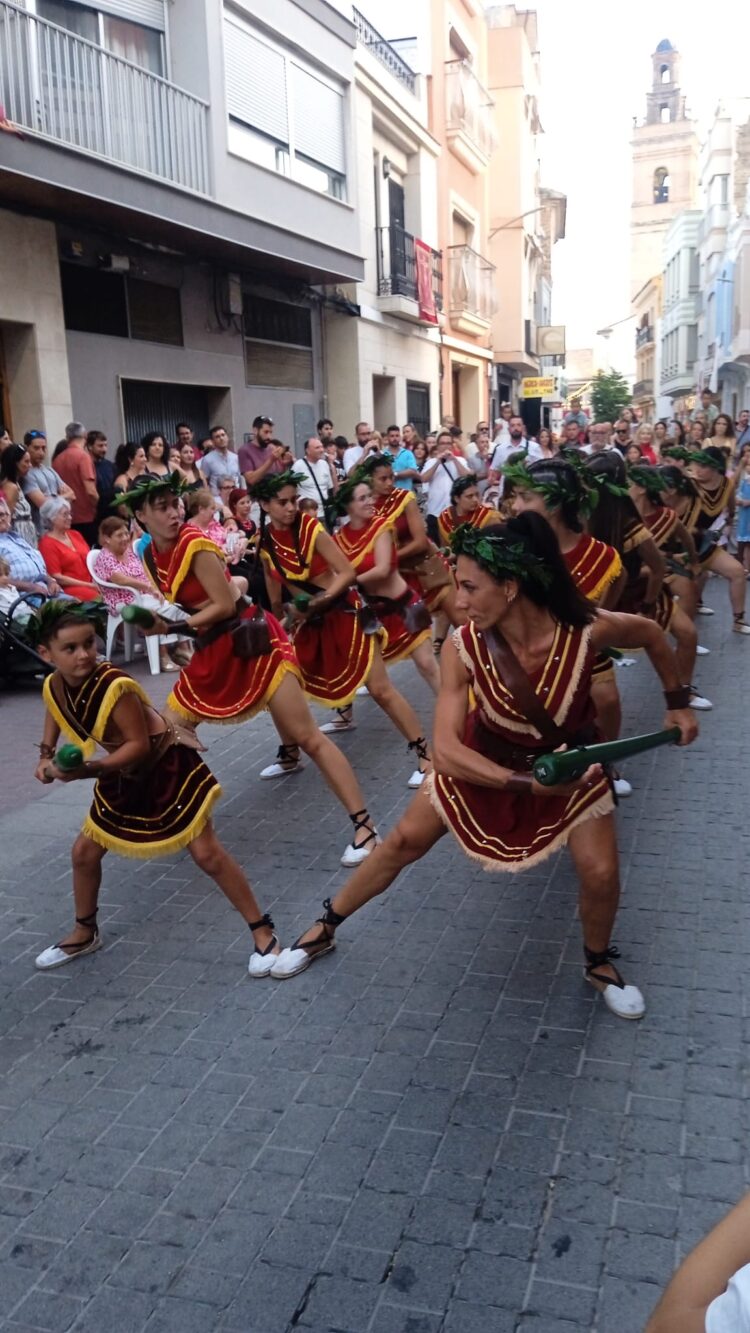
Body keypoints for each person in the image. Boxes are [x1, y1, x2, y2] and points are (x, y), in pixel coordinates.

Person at [269, 513, 698, 992]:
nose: (459, 601)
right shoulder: (462, 647)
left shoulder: (584, 629)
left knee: (600, 871)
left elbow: (652, 634)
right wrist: (524, 784)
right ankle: (325, 927)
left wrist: (677, 703)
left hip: (567, 763)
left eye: (471, 588)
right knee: (403, 842)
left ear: (510, 587)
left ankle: (598, 962)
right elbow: (447, 752)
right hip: (485, 759)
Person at [121, 473, 381, 866]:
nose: (174, 513)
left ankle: (366, 828)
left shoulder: (195, 543)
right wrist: (165, 624)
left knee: (308, 737)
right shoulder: (149, 555)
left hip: (255, 642)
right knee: (168, 731)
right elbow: (210, 600)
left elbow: (225, 605)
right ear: (140, 515)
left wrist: (171, 627)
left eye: (175, 504)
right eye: (162, 507)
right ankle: (180, 819)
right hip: (214, 650)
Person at [30, 601, 281, 977]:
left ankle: (263, 932)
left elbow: (138, 746)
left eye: (89, 643)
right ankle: (84, 932)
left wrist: (88, 770)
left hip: (166, 766)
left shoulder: (114, 685)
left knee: (207, 855)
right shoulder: (55, 683)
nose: (84, 654)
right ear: (46, 653)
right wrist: (45, 755)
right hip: (122, 772)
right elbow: (54, 705)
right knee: (84, 853)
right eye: (70, 648)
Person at [253, 469, 431, 783]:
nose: (292, 507)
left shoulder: (310, 528)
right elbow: (273, 584)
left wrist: (320, 601)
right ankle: (290, 755)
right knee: (277, 685)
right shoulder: (265, 540)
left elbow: (347, 573)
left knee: (381, 690)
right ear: (265, 505)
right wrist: (281, 620)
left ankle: (427, 758)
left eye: (294, 500)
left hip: (345, 612)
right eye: (283, 502)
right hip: (310, 622)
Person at [334, 475, 441, 706]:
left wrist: (348, 582)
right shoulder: (338, 539)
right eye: (362, 498)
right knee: (363, 674)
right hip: (375, 617)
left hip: (403, 606)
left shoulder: (381, 526)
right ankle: (344, 716)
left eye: (369, 496)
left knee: (427, 665)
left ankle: (461, 715)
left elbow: (383, 569)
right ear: (348, 506)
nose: (370, 502)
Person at [93, 516, 191, 671]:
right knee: (162, 610)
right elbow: (120, 579)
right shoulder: (105, 557)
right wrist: (148, 588)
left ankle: (182, 647)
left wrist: (156, 589)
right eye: (119, 535)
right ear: (107, 539)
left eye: (126, 533)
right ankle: (163, 654)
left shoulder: (129, 552)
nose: (125, 538)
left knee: (175, 605)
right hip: (123, 599)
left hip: (142, 595)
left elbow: (145, 573)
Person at [679, 446, 750, 632]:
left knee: (737, 572)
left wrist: (728, 521)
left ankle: (738, 621)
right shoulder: (689, 484)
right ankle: (685, 620)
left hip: (704, 543)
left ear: (716, 467)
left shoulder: (726, 485)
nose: (698, 469)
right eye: (697, 465)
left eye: (703, 466)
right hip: (680, 544)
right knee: (694, 578)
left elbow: (731, 508)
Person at [0, 497, 64, 600]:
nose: (3, 518)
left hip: (45, 588)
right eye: (0, 515)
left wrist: (51, 581)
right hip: (21, 595)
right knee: (70, 609)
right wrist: (30, 587)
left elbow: (39, 569)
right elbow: (1, 580)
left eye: (4, 514)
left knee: (77, 603)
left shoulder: (17, 538)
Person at [38, 498, 101, 602]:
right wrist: (88, 585)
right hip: (70, 588)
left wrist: (97, 580)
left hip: (91, 582)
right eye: (65, 515)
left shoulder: (75, 534)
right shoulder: (46, 544)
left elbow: (90, 561)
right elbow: (57, 577)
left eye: (70, 514)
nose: (70, 517)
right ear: (52, 518)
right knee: (97, 599)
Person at [51, 424, 99, 546]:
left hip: (66, 517)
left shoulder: (58, 459)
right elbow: (90, 491)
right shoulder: (83, 457)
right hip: (87, 517)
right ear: (85, 435)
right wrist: (100, 507)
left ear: (67, 437)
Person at [420, 429, 470, 542]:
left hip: (455, 512)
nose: (446, 446)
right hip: (435, 512)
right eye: (442, 443)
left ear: (452, 445)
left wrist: (454, 459)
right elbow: (424, 478)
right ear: (437, 446)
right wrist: (438, 461)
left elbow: (467, 477)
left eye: (448, 443)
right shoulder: (431, 462)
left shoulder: (460, 460)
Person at [22, 431, 75, 532]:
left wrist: (53, 499)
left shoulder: (49, 470)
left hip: (59, 528)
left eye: (43, 448)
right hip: (40, 529)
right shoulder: (27, 474)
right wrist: (62, 497)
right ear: (27, 448)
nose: (41, 452)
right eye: (36, 448)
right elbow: (43, 503)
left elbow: (72, 495)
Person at [437, 476, 501, 546]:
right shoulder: (445, 518)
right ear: (457, 498)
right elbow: (444, 549)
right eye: (470, 496)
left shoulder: (489, 517)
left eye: (477, 495)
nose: (475, 499)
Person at [1, 444, 38, 546]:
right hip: (18, 534)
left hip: (27, 533)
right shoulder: (11, 487)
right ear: (15, 463)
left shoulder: (17, 483)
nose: (30, 465)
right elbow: (6, 517)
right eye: (26, 462)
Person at [294, 437, 338, 518]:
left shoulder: (324, 464)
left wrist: (332, 467)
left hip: (324, 513)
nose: (321, 450)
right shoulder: (298, 466)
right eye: (317, 447)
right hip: (306, 514)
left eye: (322, 447)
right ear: (308, 450)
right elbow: (293, 490)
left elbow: (330, 488)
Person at [238, 417, 284, 489]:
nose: (269, 437)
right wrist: (271, 460)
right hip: (257, 494)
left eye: (271, 432)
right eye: (266, 432)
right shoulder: (244, 450)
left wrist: (285, 463)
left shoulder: (272, 448)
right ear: (255, 431)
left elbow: (279, 475)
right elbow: (251, 480)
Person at [85, 431, 116, 526]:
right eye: (100, 446)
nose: (104, 449)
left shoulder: (110, 466)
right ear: (90, 446)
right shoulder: (86, 466)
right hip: (94, 516)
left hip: (111, 513)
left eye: (105, 445)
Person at [735, 445, 750, 572]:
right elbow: (733, 484)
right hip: (742, 511)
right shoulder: (742, 471)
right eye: (744, 452)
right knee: (742, 540)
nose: (747, 454)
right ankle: (742, 568)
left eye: (749, 451)